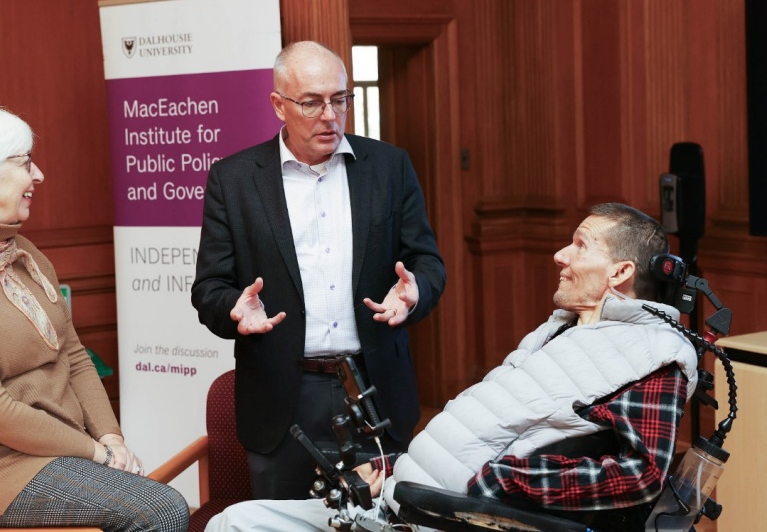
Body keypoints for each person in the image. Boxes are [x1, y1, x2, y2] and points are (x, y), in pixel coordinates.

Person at [206, 203, 700, 532]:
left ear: (620, 272)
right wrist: (391, 467)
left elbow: (639, 475)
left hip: (446, 516)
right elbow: (481, 432)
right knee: (232, 522)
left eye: (581, 244)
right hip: (404, 495)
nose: (560, 254)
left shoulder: (653, 355)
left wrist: (496, 485)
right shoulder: (559, 329)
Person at [0, 105, 190, 531]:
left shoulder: (22, 254)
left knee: (158, 502)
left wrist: (110, 437)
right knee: (159, 509)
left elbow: (74, 355)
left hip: (55, 447)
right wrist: (96, 454)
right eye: (24, 162)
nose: (39, 175)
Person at [191, 40, 446, 500]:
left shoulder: (389, 167)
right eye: (311, 102)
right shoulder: (234, 179)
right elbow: (209, 287)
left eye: (340, 99)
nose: (330, 115)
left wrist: (414, 293)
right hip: (281, 398)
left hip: (374, 390)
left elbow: (428, 263)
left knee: (380, 523)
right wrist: (233, 308)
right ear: (278, 105)